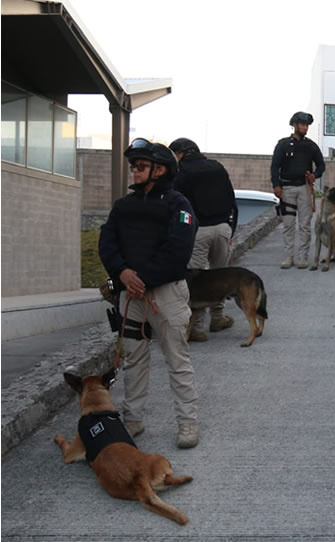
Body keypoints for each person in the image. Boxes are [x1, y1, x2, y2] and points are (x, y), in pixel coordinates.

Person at [98, 138, 200, 449]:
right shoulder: (123, 206)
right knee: (133, 361)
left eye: (141, 166)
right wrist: (123, 273)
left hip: (165, 294)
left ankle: (187, 424)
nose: (135, 171)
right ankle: (133, 420)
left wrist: (144, 277)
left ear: (160, 169)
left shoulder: (178, 204)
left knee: (177, 361)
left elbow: (178, 249)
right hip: (131, 296)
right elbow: (107, 242)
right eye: (134, 166)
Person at [170, 137, 238, 342]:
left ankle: (197, 328)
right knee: (220, 277)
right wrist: (230, 229)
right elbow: (232, 200)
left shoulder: (181, 173)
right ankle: (217, 318)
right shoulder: (217, 167)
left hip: (198, 232)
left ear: (180, 153)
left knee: (196, 281)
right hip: (223, 228)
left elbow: (177, 206)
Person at [271, 111, 325, 269]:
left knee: (305, 224)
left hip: (304, 188)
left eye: (307, 125)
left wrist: (315, 175)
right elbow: (275, 166)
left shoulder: (310, 146)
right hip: (286, 188)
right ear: (294, 125)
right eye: (302, 124)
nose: (305, 127)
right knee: (288, 224)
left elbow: (321, 165)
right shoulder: (283, 144)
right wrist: (276, 185)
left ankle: (303, 257)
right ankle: (289, 256)